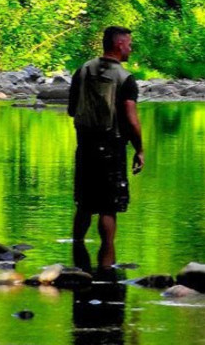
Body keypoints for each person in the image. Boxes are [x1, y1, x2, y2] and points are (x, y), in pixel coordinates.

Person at [68, 26, 144, 271]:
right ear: (119, 44)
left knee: (84, 204)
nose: (131, 48)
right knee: (108, 207)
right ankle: (106, 271)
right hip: (112, 147)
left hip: (85, 146)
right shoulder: (125, 78)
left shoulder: (82, 70)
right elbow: (131, 119)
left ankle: (77, 254)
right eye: (129, 44)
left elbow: (71, 109)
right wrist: (139, 149)